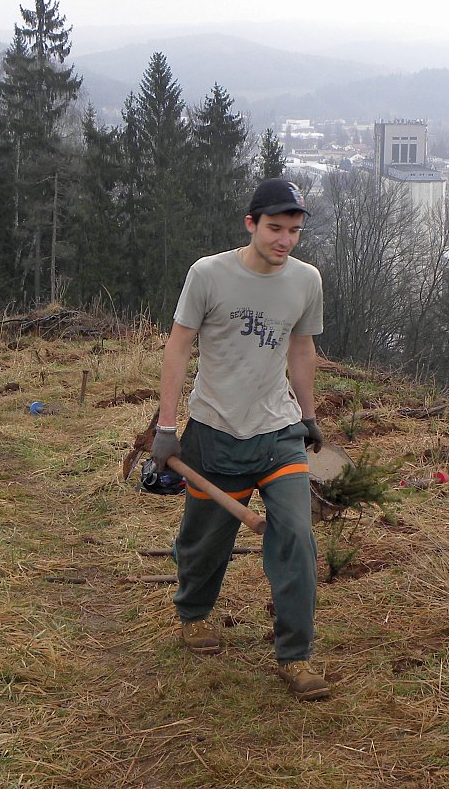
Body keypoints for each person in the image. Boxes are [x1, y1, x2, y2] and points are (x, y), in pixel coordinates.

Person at [152, 177, 329, 700]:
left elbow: (301, 349)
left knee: (296, 537)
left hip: (278, 433)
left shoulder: (306, 281)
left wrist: (308, 415)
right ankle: (194, 613)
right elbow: (178, 347)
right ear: (250, 224)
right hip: (216, 433)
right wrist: (167, 428)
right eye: (275, 228)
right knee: (205, 543)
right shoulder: (208, 275)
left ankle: (296, 655)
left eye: (294, 231)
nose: (285, 240)